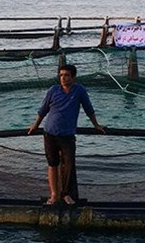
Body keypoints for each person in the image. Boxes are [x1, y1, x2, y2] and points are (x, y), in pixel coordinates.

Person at [28, 64, 105, 205]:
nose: (63, 78)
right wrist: (35, 125)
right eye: (61, 75)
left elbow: (89, 109)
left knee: (68, 165)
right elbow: (43, 110)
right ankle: (54, 195)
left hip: (67, 135)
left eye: (67, 75)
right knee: (52, 164)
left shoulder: (79, 91)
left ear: (73, 77)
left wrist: (96, 125)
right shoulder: (53, 90)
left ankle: (66, 194)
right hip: (50, 132)